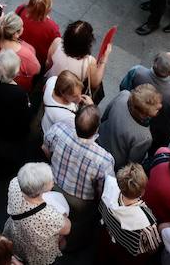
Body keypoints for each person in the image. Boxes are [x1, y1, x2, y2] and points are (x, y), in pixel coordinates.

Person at [42, 105, 114, 252]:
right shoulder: (104, 159)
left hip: (52, 183)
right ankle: (70, 246)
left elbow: (45, 148)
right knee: (76, 224)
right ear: (96, 129)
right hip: (79, 201)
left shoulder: (59, 129)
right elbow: (103, 189)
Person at [1, 161, 69, 265]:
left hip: (14, 235)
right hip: (37, 254)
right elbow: (67, 228)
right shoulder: (49, 216)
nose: (53, 182)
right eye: (50, 181)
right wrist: (63, 215)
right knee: (62, 239)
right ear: (42, 190)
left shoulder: (14, 183)